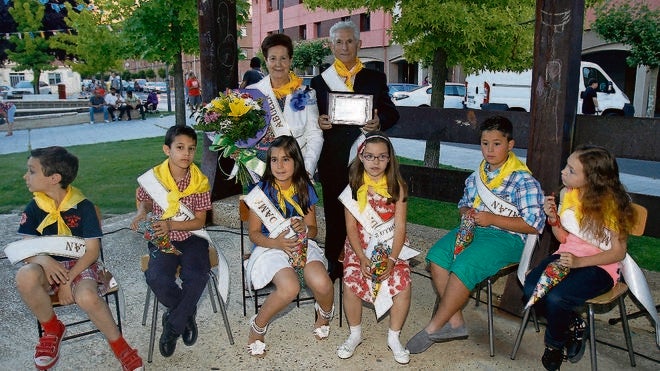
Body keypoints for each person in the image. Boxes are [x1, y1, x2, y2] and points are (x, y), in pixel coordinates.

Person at [406, 115, 545, 354]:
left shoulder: (523, 180)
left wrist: (491, 218)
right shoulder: (477, 175)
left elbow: (534, 225)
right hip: (474, 230)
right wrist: (466, 211)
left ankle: (434, 327)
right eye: (484, 143)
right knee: (437, 257)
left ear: (510, 145)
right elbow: (463, 203)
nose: (489, 149)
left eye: (497, 143)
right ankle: (456, 322)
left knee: (464, 265)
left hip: (508, 237)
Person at [14, 146, 143, 371]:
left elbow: (92, 251)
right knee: (24, 275)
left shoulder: (83, 207)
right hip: (46, 267)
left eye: (31, 171)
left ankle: (121, 346)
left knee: (86, 297)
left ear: (54, 178)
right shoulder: (34, 207)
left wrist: (67, 281)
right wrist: (45, 260)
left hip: (81, 265)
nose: (26, 176)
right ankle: (52, 328)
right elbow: (26, 247)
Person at [524, 145, 635, 370]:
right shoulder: (568, 193)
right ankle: (573, 323)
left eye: (571, 170)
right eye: (566, 166)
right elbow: (564, 237)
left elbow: (618, 253)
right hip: (567, 255)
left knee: (557, 298)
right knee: (530, 289)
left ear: (592, 179)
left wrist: (579, 262)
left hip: (601, 265)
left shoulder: (613, 206)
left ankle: (554, 345)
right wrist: (553, 218)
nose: (563, 172)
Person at [311, 20, 399, 282]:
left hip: (365, 158)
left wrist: (378, 121)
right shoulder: (319, 81)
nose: (345, 46)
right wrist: (320, 121)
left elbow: (391, 112)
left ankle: (366, 261)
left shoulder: (375, 78)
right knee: (335, 213)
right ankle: (334, 265)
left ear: (359, 44)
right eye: (339, 42)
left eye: (350, 41)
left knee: (366, 211)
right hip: (333, 159)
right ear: (331, 46)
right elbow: (310, 116)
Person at [244, 136, 334, 357]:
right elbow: (254, 234)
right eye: (274, 160)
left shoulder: (304, 188)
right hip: (270, 247)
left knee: (323, 283)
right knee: (289, 288)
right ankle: (258, 326)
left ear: (296, 161)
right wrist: (277, 242)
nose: (279, 166)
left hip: (300, 243)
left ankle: (324, 312)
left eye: (285, 159)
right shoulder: (261, 192)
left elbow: (313, 230)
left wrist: (304, 228)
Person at [130, 126, 212, 358]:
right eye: (180, 147)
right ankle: (185, 312)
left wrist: (171, 224)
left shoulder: (200, 181)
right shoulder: (154, 178)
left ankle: (173, 326)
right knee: (156, 276)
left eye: (191, 149)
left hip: (192, 238)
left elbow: (199, 222)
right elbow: (145, 202)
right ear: (167, 149)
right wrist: (140, 213)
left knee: (198, 275)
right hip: (162, 239)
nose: (186, 153)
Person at [336, 132, 412, 364]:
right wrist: (360, 257)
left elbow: (400, 228)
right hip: (359, 246)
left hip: (392, 246)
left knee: (403, 286)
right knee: (350, 284)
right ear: (361, 157)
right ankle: (355, 334)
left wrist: (391, 259)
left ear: (390, 159)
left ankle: (394, 337)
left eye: (381, 157)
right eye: (369, 156)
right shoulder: (353, 188)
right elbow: (350, 227)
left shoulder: (398, 187)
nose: (375, 162)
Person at [247, 33, 323, 177]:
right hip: (260, 171)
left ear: (290, 60)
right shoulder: (252, 93)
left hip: (295, 170)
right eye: (273, 58)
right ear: (266, 60)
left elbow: (314, 135)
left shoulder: (306, 94)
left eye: (283, 58)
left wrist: (307, 169)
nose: (278, 64)